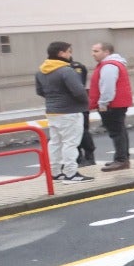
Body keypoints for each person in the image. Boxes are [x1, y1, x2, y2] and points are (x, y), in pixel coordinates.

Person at [34, 42, 94, 184]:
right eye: (68, 52)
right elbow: (79, 91)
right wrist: (85, 102)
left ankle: (55, 172)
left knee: (55, 142)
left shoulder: (41, 71)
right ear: (61, 53)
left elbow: (40, 91)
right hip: (70, 111)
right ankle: (71, 174)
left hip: (52, 111)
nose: (70, 54)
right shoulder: (66, 71)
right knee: (70, 143)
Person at [89, 41, 134, 171]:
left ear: (106, 52)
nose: (93, 54)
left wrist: (103, 103)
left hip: (112, 104)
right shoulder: (113, 64)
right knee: (120, 130)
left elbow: (107, 87)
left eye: (96, 51)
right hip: (117, 103)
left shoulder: (108, 66)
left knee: (116, 132)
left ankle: (121, 160)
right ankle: (122, 158)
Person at [68, 57, 96, 168]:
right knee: (71, 133)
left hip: (79, 104)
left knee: (83, 130)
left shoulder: (76, 67)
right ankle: (78, 157)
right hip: (67, 107)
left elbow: (77, 86)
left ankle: (89, 156)